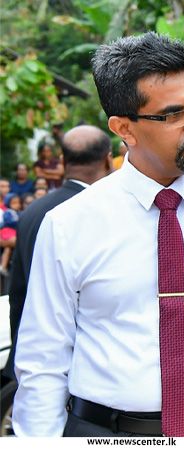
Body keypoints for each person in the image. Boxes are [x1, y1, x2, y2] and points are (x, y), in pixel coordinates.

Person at [12, 32, 184, 437]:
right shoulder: (70, 224)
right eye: (175, 114)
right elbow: (43, 359)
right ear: (123, 128)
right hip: (107, 434)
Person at [2, 125, 113, 386]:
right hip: (85, 363)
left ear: (62, 162)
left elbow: (18, 292)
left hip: (36, 357)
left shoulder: (33, 211)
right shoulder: (105, 212)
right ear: (108, 160)